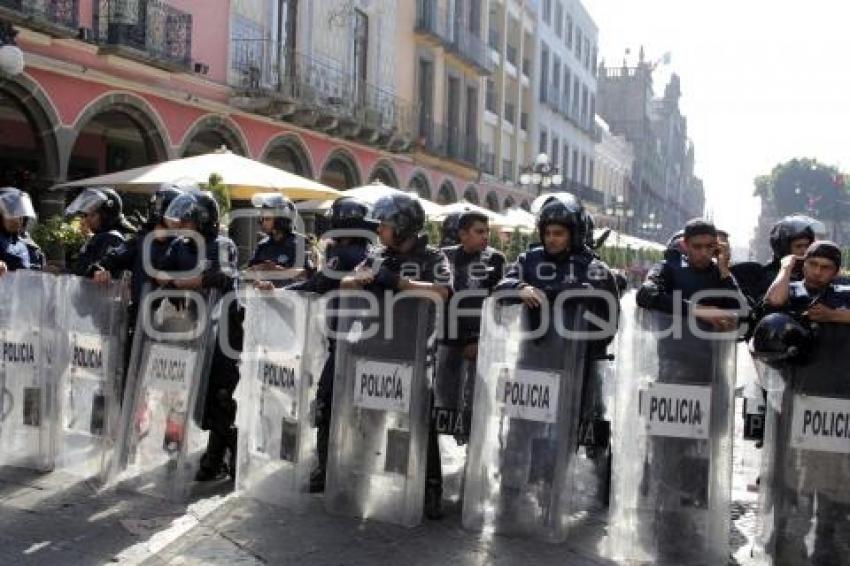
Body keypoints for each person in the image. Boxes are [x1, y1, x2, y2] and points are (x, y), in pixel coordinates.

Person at [341, 193, 452, 519]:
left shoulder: (434, 257)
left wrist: (398, 282)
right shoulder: (376, 255)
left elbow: (441, 292)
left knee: (419, 423)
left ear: (403, 227)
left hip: (414, 351)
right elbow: (348, 283)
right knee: (365, 417)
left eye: (386, 226)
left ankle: (430, 488)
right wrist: (354, 281)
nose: (380, 232)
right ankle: (358, 480)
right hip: (373, 348)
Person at [286, 196, 377, 492]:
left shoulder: (345, 254)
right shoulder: (369, 253)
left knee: (327, 402)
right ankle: (358, 465)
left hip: (345, 343)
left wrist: (279, 291)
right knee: (361, 408)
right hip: (365, 341)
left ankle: (325, 471)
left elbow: (318, 285)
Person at [157, 190, 241, 481]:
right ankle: (173, 451)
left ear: (203, 221)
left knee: (219, 395)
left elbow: (224, 275)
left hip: (222, 332)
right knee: (180, 391)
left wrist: (186, 281)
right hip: (187, 328)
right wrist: (173, 285)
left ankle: (220, 458)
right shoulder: (179, 246)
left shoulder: (222, 245)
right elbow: (161, 275)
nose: (182, 225)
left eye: (188, 220)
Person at [246, 193, 313, 290]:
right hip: (263, 299)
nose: (263, 223)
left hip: (292, 300)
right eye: (263, 219)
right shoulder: (263, 245)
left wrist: (277, 270)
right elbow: (249, 272)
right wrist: (257, 270)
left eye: (267, 219)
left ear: (282, 220)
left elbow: (308, 274)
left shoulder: (299, 243)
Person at [64, 187, 135, 278]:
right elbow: (84, 271)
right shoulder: (101, 237)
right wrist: (62, 270)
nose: (87, 219)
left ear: (106, 216)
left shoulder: (110, 238)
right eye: (86, 215)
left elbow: (94, 275)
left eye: (92, 215)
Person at [0, 187, 44, 275]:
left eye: (21, 214)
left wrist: (46, 270)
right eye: (12, 214)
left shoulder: (26, 241)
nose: (17, 220)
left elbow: (30, 269)